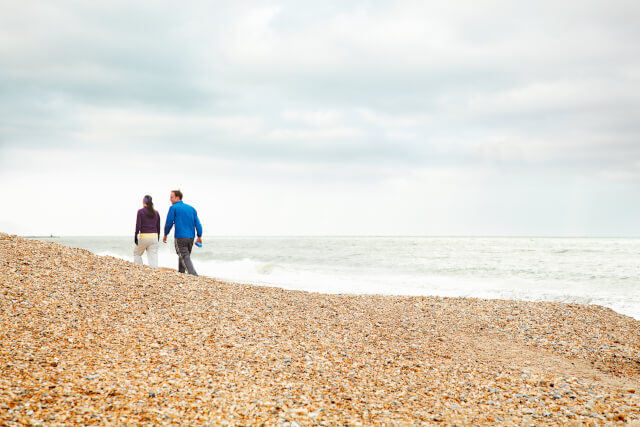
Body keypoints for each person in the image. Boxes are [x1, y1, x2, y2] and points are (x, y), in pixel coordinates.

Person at [163, 189, 203, 275]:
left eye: (171, 197)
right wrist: (199, 236)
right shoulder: (191, 208)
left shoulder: (173, 208)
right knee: (185, 255)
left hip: (180, 236)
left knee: (184, 255)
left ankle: (193, 275)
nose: (170, 199)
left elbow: (169, 222)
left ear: (177, 198)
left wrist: (165, 234)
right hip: (191, 238)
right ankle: (181, 272)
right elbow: (198, 223)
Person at [134, 195, 161, 268]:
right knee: (153, 257)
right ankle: (154, 272)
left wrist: (135, 237)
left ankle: (139, 269)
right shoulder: (156, 213)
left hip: (144, 236)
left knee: (137, 253)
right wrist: (158, 237)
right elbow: (158, 227)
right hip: (154, 237)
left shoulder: (140, 211)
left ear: (143, 202)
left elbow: (138, 225)